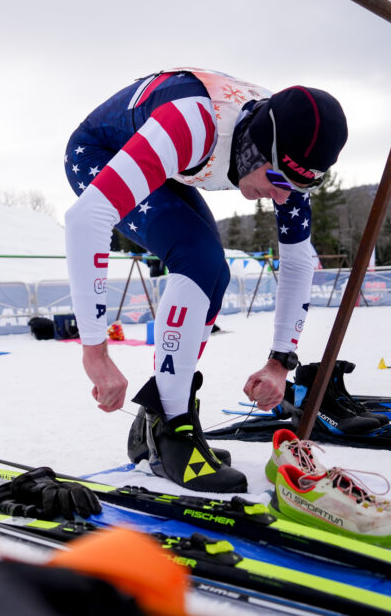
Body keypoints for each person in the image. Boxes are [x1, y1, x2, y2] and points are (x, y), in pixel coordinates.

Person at [62, 68, 347, 493]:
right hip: (101, 152)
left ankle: (161, 416)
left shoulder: (289, 145)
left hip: (168, 161)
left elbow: (299, 260)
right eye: (278, 182)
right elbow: (85, 219)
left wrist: (278, 362)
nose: (284, 196)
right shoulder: (193, 126)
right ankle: (170, 428)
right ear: (253, 149)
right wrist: (96, 354)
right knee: (198, 258)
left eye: (298, 188)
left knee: (214, 270)